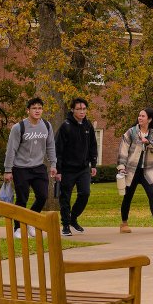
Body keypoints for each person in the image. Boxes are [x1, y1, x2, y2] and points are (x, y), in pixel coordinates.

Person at [2, 97, 60, 237]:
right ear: (28, 110)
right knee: (22, 199)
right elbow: (11, 150)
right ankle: (18, 228)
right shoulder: (18, 128)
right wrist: (8, 170)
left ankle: (31, 222)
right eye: (34, 108)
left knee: (42, 196)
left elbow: (51, 146)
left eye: (40, 108)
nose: (37, 111)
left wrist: (53, 164)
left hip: (38, 167)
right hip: (20, 168)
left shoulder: (46, 126)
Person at [116, 108, 153, 233]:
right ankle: (124, 224)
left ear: (149, 119)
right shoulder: (131, 132)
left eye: (143, 116)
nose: (140, 118)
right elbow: (123, 150)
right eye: (139, 115)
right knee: (127, 197)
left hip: (148, 171)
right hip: (131, 171)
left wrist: (148, 143)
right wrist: (121, 167)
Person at [55, 97, 98, 237]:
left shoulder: (88, 125)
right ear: (72, 109)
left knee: (85, 193)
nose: (82, 111)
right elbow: (58, 150)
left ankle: (73, 218)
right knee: (65, 197)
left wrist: (93, 164)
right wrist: (58, 170)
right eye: (79, 109)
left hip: (83, 168)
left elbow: (93, 145)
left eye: (84, 109)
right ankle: (66, 225)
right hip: (67, 169)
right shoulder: (65, 126)